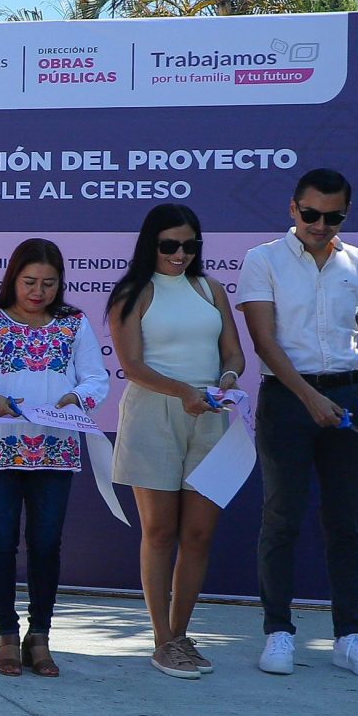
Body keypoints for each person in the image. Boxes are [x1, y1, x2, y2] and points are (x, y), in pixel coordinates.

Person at [238, 166, 358, 680]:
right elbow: (264, 342)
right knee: (282, 517)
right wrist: (309, 399)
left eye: (332, 216)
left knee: (347, 522)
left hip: (349, 395)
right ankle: (278, 632)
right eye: (310, 214)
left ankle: (350, 636)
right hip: (287, 396)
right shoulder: (263, 260)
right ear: (292, 208)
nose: (320, 224)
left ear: (345, 213)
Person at [105, 203, 245, 680]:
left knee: (200, 533)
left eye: (189, 245)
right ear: (151, 244)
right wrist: (183, 391)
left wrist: (226, 378)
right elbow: (133, 366)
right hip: (155, 410)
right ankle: (163, 640)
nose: (180, 254)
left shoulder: (211, 288)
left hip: (210, 411)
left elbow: (233, 351)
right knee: (160, 531)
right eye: (170, 245)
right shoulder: (134, 292)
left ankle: (181, 634)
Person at [0, 237, 108, 679]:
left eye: (48, 283)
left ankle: (40, 635)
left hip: (54, 448)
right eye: (29, 281)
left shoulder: (73, 322)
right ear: (13, 278)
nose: (38, 291)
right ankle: (6, 633)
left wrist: (76, 398)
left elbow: (96, 378)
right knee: (1, 540)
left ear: (60, 283)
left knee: (46, 543)